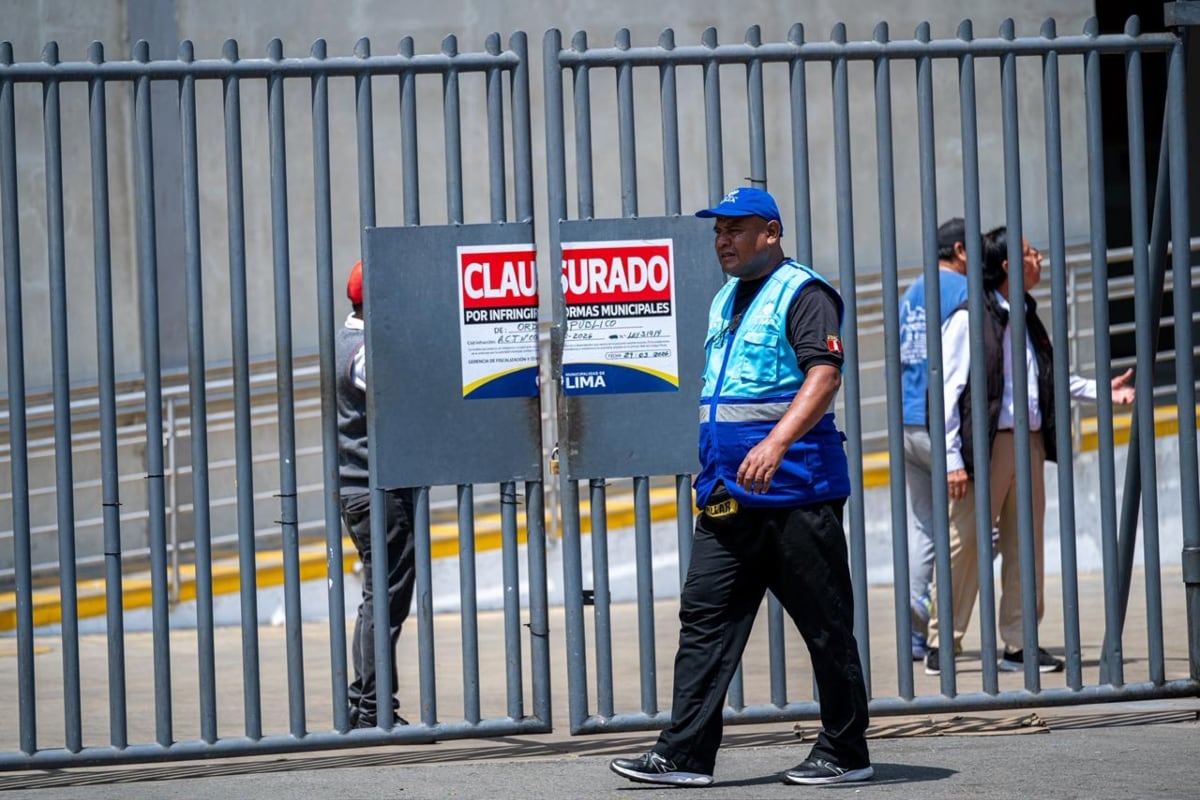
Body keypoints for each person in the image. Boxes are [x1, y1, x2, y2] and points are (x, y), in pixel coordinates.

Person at [609, 187, 872, 787]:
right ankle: (684, 754)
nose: (722, 240)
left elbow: (825, 375)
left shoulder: (803, 293)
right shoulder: (727, 299)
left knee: (825, 626)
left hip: (796, 493)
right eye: (717, 231)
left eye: (736, 228)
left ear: (772, 232)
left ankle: (845, 750)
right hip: (729, 495)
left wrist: (776, 442)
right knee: (704, 619)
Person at [924, 227, 1135, 676]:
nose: (1037, 258)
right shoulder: (969, 319)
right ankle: (943, 641)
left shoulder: (1025, 315)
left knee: (1027, 544)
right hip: (986, 445)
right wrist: (952, 459)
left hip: (1029, 441)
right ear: (1006, 267)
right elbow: (945, 392)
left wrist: (1103, 390)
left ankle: (1019, 643)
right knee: (965, 542)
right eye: (1029, 253)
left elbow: (1048, 377)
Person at [336, 259, 417, 728]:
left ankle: (365, 701)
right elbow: (402, 395)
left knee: (377, 598)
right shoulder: (365, 351)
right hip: (376, 490)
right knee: (384, 600)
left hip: (359, 488)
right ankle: (373, 708)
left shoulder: (344, 339)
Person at [898, 217, 971, 660]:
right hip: (939, 423)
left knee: (925, 526)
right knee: (977, 528)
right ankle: (944, 626)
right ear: (961, 251)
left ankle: (913, 625)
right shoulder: (962, 294)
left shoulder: (913, 291)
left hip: (907, 423)